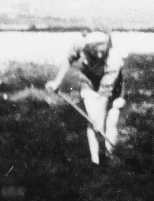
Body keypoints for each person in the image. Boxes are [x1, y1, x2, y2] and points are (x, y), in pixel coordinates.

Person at [46, 29, 126, 165]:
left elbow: (104, 94)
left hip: (113, 86)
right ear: (88, 47)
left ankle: (110, 156)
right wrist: (57, 82)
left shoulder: (113, 60)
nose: (100, 56)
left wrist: (99, 120)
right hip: (88, 82)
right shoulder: (80, 44)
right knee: (93, 120)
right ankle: (95, 162)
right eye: (96, 52)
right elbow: (68, 60)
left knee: (111, 120)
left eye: (103, 52)